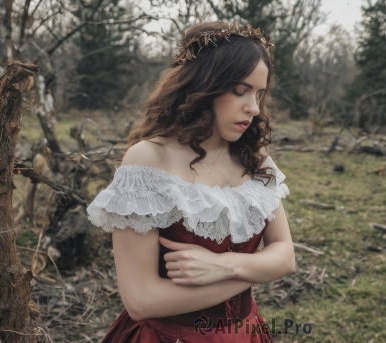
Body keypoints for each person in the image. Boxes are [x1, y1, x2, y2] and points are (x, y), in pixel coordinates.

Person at [86, 21, 295, 342]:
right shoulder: (148, 160)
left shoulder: (254, 155)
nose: (253, 108)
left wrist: (224, 265)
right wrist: (253, 270)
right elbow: (141, 300)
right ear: (204, 86)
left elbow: (285, 255)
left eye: (260, 93)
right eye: (239, 91)